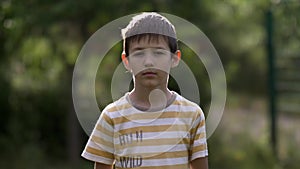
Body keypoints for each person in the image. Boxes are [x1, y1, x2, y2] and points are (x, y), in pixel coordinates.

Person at [81, 12, 209, 169]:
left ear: (175, 58)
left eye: (158, 53)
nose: (148, 62)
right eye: (139, 53)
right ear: (126, 61)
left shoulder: (192, 115)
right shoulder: (112, 116)